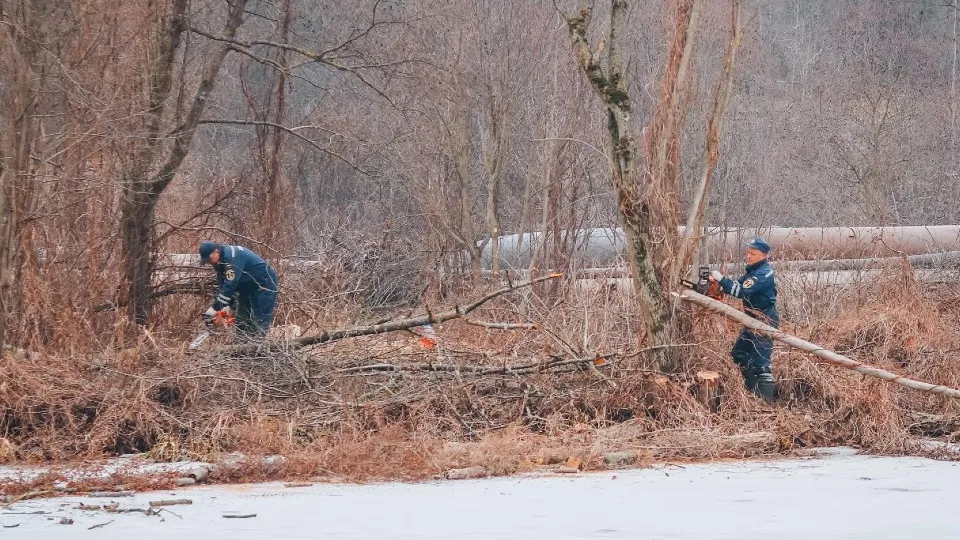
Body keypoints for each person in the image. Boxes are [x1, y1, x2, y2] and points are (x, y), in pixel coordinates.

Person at [709, 237, 779, 402]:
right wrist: (717, 285)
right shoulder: (752, 271)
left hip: (765, 319)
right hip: (752, 318)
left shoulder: (763, 273)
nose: (748, 256)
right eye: (748, 253)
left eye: (752, 253)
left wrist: (721, 278)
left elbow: (741, 291)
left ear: (763, 255)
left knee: (762, 364)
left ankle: (766, 402)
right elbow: (735, 285)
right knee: (739, 354)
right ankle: (750, 392)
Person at [199, 241, 279, 342]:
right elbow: (222, 283)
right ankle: (240, 347)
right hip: (247, 287)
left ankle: (257, 348)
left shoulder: (230, 257)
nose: (210, 262)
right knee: (242, 319)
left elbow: (230, 284)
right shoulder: (219, 261)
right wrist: (226, 305)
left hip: (264, 284)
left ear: (216, 251)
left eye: (209, 259)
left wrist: (215, 308)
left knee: (259, 318)